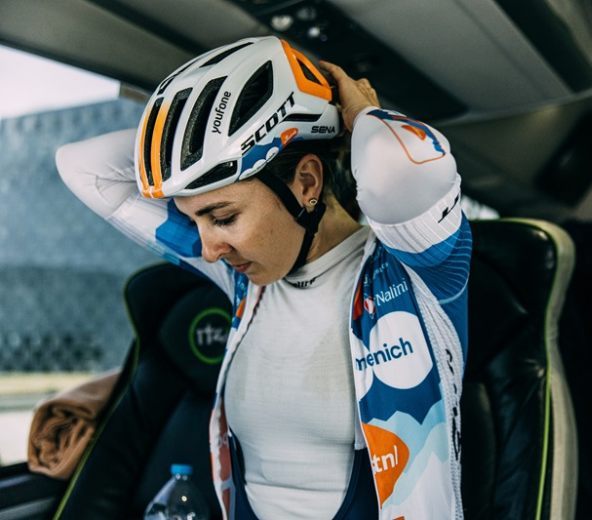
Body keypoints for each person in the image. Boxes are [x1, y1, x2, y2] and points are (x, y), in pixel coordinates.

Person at [56, 36, 471, 520]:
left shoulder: (420, 272)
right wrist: (186, 147)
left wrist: (361, 117)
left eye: (223, 217)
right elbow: (82, 168)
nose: (207, 248)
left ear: (307, 182)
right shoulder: (245, 283)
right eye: (193, 220)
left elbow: (399, 169)